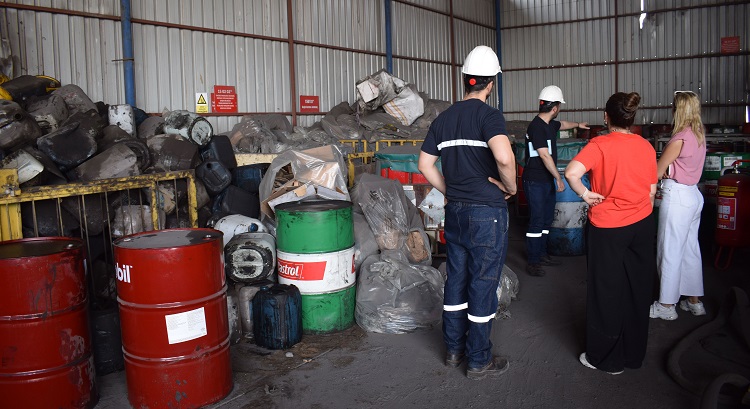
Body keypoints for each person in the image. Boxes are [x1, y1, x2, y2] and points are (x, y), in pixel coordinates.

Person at [418, 45, 516, 381]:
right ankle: (478, 359)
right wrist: (512, 186)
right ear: (491, 84)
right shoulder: (489, 116)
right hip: (487, 212)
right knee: (483, 284)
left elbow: (424, 164)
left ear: (465, 80)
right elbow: (503, 157)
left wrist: (448, 190)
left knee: (456, 281)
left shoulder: (443, 119)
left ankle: (453, 350)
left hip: (456, 212)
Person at [564, 92, 657, 375]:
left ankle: (606, 359)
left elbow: (571, 173)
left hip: (608, 228)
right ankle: (633, 355)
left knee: (607, 291)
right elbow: (651, 192)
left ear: (606, 117)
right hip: (642, 224)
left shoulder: (600, 144)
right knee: (637, 290)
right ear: (632, 119)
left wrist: (586, 194)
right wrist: (638, 212)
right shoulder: (646, 146)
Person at [649, 91, 707, 320]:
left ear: (679, 110)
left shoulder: (680, 138)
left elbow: (656, 171)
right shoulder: (699, 135)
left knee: (670, 251)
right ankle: (694, 302)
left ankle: (665, 305)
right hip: (694, 197)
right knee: (690, 250)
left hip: (678, 197)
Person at [523, 85, 589, 277]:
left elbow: (564, 124)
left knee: (545, 219)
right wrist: (558, 178)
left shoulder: (550, 124)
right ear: (555, 108)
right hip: (535, 180)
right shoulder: (536, 127)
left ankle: (542, 254)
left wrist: (578, 124)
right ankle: (533, 261)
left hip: (544, 180)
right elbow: (544, 155)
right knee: (536, 221)